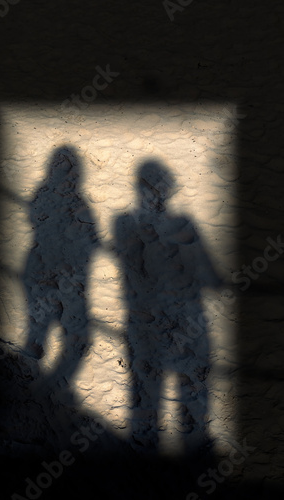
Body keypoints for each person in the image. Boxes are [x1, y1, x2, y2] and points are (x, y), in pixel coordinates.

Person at [114, 159, 221, 454]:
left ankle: (166, 455)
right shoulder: (132, 225)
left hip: (167, 322)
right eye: (156, 188)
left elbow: (212, 277)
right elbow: (211, 278)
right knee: (161, 396)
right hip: (165, 322)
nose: (159, 194)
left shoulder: (133, 224)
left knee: (160, 398)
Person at [23, 146, 99, 387]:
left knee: (41, 314)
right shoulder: (80, 206)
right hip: (61, 269)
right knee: (74, 327)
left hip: (43, 265)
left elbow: (33, 215)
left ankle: (34, 351)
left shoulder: (42, 194)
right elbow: (92, 241)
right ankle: (54, 376)